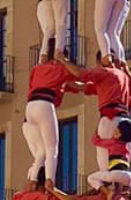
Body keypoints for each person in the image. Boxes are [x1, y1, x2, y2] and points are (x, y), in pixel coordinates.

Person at [58, 54, 131, 188]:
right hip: (125, 122)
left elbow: (81, 75)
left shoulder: (105, 73)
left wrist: (62, 60)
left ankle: (107, 192)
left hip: (109, 118)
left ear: (102, 60)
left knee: (104, 168)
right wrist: (126, 69)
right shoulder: (122, 77)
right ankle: (124, 192)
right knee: (122, 163)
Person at [23, 40, 83, 188]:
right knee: (52, 148)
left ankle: (32, 180)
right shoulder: (61, 69)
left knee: (40, 153)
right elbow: (79, 76)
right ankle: (50, 181)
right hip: (45, 104)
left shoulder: (37, 69)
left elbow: (44, 84)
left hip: (29, 108)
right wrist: (64, 61)